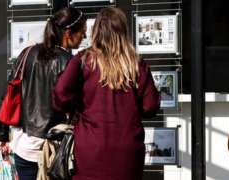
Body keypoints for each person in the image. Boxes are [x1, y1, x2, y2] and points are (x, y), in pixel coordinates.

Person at [53, 7, 160, 180]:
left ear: (97, 31)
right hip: (128, 151)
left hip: (90, 149)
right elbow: (151, 106)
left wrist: (78, 107)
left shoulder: (83, 60)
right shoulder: (137, 65)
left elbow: (60, 93)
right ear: (123, 32)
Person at [0, 7, 87, 180]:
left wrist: (3, 135)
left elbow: (8, 95)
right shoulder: (70, 62)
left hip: (24, 146)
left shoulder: (27, 54)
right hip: (54, 149)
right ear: (68, 33)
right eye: (82, 33)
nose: (83, 37)